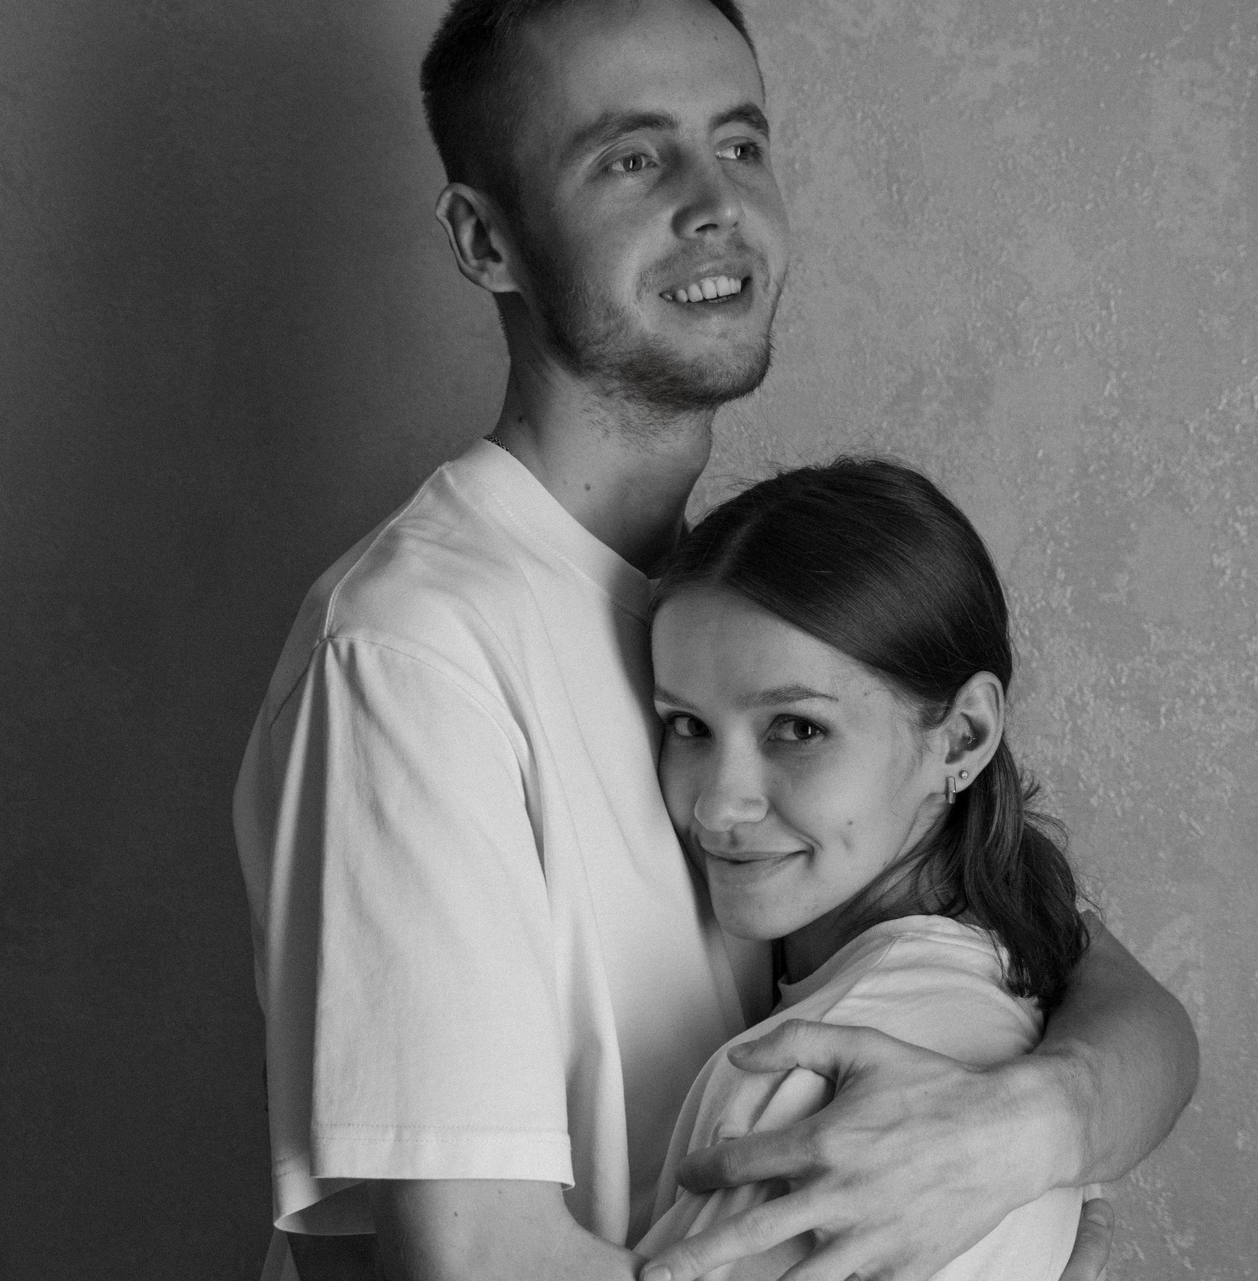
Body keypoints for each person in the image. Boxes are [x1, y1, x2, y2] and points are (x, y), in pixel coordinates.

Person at [233, 1, 1200, 1279]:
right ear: (485, 239)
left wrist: (1023, 1136)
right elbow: (470, 1263)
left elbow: (1122, 1004)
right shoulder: (415, 650)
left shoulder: (742, 608)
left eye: (741, 145)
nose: (716, 204)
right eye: (633, 158)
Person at [636, 457, 1090, 1281]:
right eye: (688, 726)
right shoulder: (1020, 982)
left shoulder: (817, 1084)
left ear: (962, 736)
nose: (717, 805)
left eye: (798, 728)